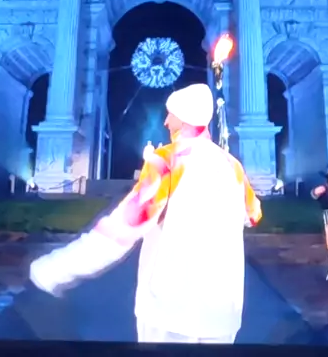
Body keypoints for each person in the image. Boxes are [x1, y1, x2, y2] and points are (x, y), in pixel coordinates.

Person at [29, 83, 261, 344]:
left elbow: (123, 228)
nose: (166, 121)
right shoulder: (233, 166)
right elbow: (253, 215)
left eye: (171, 114)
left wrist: (55, 269)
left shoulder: (168, 160)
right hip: (222, 314)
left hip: (170, 310)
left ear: (184, 118)